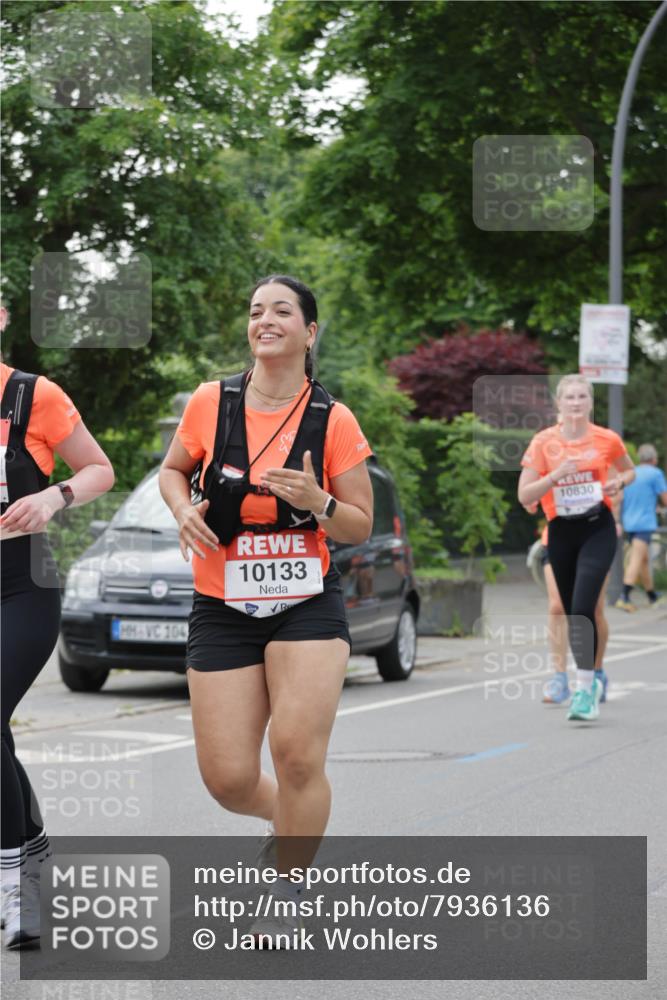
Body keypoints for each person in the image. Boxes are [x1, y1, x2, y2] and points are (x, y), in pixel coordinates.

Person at [158, 275, 373, 946]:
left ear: (310, 332)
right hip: (222, 600)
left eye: (282, 310)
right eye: (255, 310)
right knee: (225, 779)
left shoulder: (332, 418)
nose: (265, 319)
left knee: (295, 754)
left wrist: (318, 502)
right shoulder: (208, 402)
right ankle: (294, 825)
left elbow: (358, 525)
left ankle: (289, 887)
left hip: (305, 601)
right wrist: (180, 509)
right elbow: (171, 471)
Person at [0, 304, 114, 949]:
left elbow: (99, 469)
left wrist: (54, 496)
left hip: (22, 585)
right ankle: (32, 846)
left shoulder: (31, 394)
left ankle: (17, 885)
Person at [518, 374, 635, 722]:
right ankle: (569, 676)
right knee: (568, 609)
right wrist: (554, 477)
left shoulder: (607, 439)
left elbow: (629, 472)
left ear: (590, 402)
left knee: (585, 606)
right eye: (569, 397)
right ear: (558, 403)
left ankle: (585, 688)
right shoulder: (543, 442)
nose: (575, 402)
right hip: (560, 532)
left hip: (598, 527)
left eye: (582, 396)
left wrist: (618, 481)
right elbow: (524, 495)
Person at [615, 443, 667, 611]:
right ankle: (624, 595)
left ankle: (651, 595)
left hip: (629, 522)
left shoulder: (631, 473)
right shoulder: (655, 474)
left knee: (644, 560)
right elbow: (665, 498)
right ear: (654, 459)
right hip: (644, 522)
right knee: (637, 559)